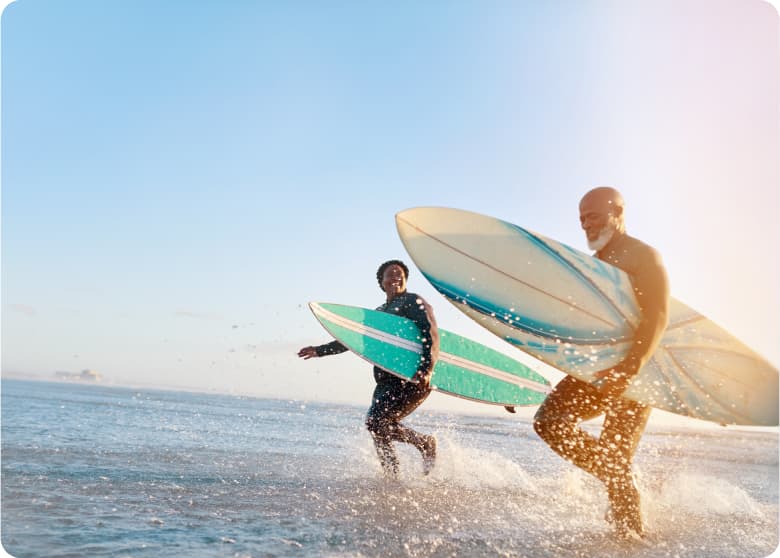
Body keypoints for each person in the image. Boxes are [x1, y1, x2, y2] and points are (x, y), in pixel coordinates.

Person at [533, 187, 670, 538]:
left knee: (615, 455)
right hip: (595, 369)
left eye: (592, 216)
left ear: (617, 210)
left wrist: (630, 368)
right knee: (549, 422)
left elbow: (657, 315)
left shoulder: (643, 256)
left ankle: (630, 538)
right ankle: (621, 480)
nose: (585, 225)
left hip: (635, 375)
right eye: (581, 219)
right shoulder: (595, 264)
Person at [298, 259, 439, 478]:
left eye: (400, 274)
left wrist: (427, 368)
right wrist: (320, 350)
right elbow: (353, 340)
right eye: (390, 274)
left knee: (375, 421)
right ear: (381, 283)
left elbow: (430, 333)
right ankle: (392, 476)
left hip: (412, 378)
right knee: (378, 429)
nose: (395, 277)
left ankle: (424, 443)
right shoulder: (379, 313)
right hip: (385, 382)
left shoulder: (414, 301)